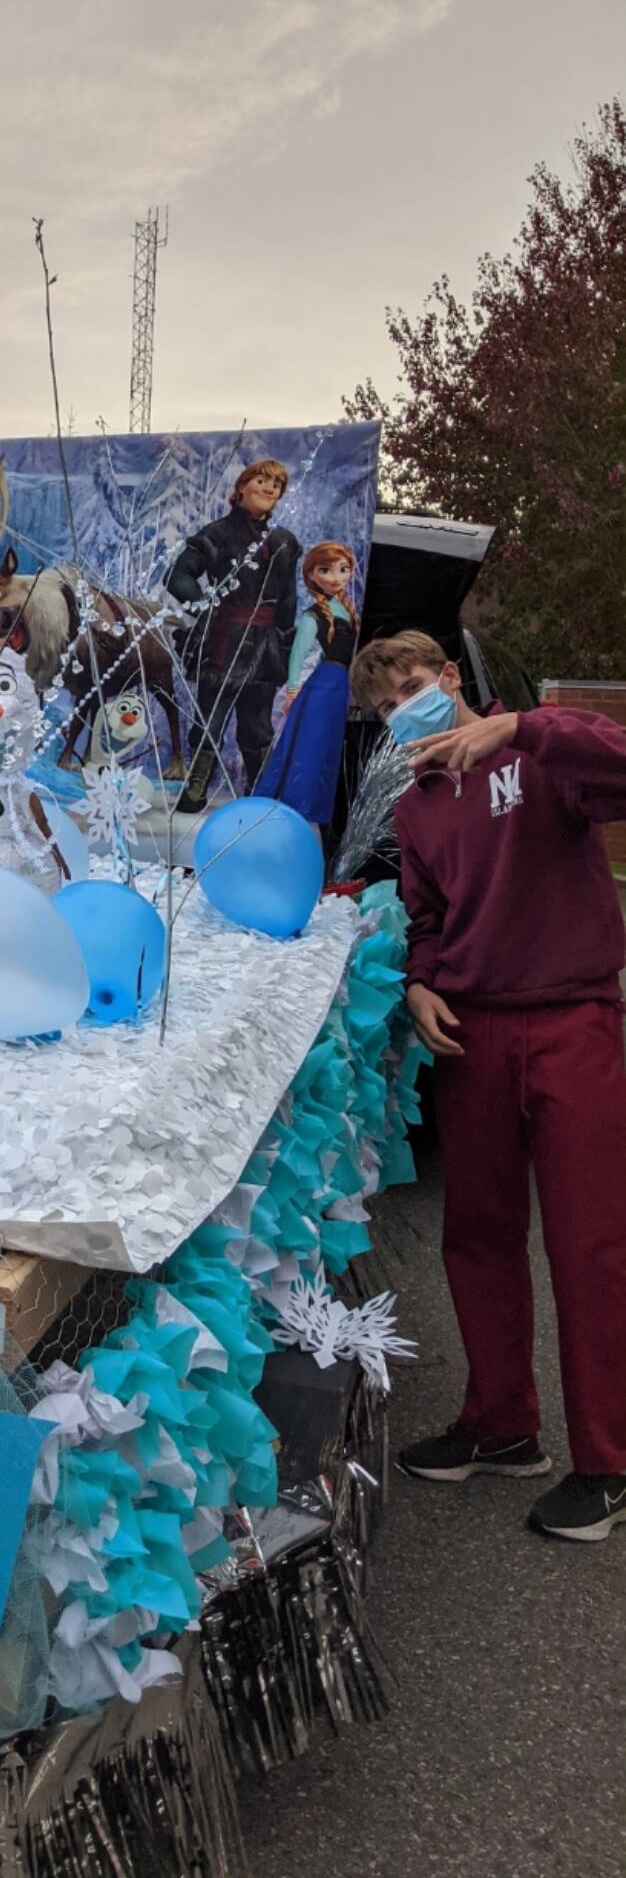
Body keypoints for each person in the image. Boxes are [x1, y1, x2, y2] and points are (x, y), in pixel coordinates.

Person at [352, 630, 626, 1542]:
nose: (405, 711)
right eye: (387, 707)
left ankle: (609, 1461)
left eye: (415, 687)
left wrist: (520, 729)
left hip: (572, 1021)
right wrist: (424, 979)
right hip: (471, 1035)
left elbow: (618, 768)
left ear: (453, 680)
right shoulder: (419, 807)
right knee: (476, 1235)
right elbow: (427, 914)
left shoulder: (542, 751)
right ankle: (503, 1424)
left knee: (590, 1243)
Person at [165, 458, 300, 813]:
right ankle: (196, 789)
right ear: (242, 488)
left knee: (257, 726)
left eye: (277, 485)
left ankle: (260, 796)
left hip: (267, 646)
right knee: (210, 718)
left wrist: (285, 641)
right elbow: (178, 577)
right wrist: (206, 608)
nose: (270, 488)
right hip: (224, 642)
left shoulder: (285, 543)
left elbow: (288, 598)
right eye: (262, 480)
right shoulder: (217, 534)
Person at [253, 540, 358, 830]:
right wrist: (292, 690)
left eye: (343, 569)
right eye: (326, 570)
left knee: (326, 748)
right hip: (322, 686)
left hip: (338, 686)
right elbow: (298, 654)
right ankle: (295, 804)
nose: (336, 577)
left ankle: (314, 807)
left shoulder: (347, 611)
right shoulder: (312, 616)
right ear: (312, 575)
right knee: (310, 745)